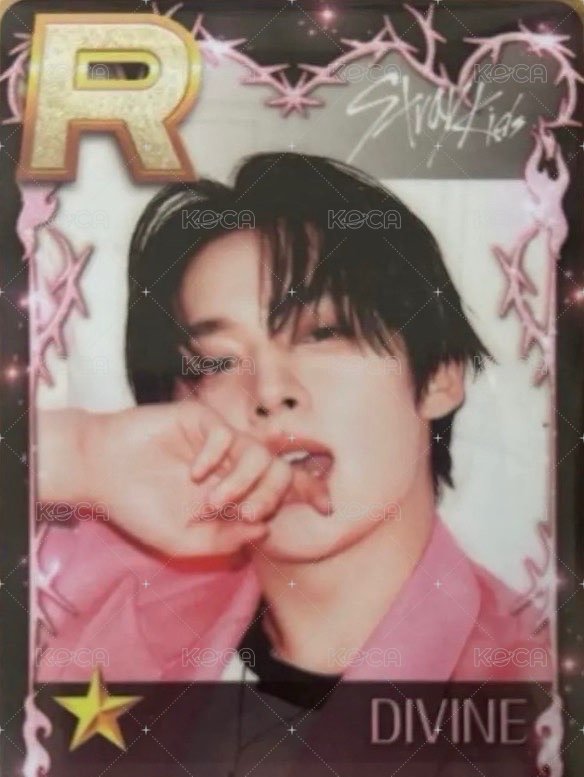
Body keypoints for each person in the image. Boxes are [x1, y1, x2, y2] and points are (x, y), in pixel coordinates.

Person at [36, 152, 551, 684]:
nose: (268, 392)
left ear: (440, 374)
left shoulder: (537, 690)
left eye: (321, 334)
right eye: (215, 362)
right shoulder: (87, 586)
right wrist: (78, 454)